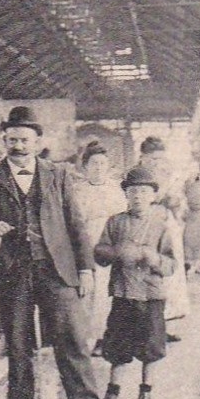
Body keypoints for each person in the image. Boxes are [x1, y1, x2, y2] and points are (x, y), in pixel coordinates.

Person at [0, 105, 113, 399]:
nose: (18, 145)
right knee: (18, 343)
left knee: (72, 339)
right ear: (4, 139)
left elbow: (76, 225)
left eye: (25, 139)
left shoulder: (58, 175)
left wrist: (85, 270)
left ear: (37, 140)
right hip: (11, 270)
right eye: (12, 139)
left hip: (56, 268)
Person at [93, 166, 176, 399]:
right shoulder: (115, 222)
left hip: (151, 295)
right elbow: (100, 253)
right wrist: (117, 251)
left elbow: (171, 265)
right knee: (117, 347)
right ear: (126, 194)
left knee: (150, 347)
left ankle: (145, 396)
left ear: (153, 195)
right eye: (132, 191)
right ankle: (112, 398)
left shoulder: (161, 225)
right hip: (124, 293)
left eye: (143, 191)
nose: (138, 196)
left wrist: (153, 258)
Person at [73, 142, 127, 352]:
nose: (98, 168)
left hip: (113, 243)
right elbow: (75, 223)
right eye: (94, 163)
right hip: (88, 243)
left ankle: (112, 338)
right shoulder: (77, 191)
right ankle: (91, 339)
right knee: (91, 294)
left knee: (113, 291)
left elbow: (124, 217)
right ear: (85, 167)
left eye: (103, 164)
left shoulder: (116, 189)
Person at [138, 137, 188, 341]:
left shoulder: (168, 175)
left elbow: (178, 201)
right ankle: (144, 329)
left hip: (166, 224)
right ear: (142, 157)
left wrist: (174, 200)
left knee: (168, 272)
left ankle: (162, 326)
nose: (156, 163)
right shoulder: (136, 175)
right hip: (144, 227)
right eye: (152, 158)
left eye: (160, 158)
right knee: (147, 275)